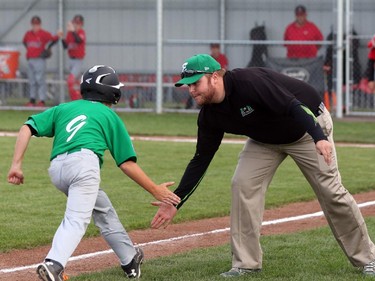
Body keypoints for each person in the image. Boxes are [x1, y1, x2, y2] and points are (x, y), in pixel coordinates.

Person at [150, 54, 375, 277]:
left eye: (195, 83)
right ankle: (246, 264)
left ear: (215, 77)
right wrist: (176, 201)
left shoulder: (249, 83)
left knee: (331, 192)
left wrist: (319, 137)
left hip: (306, 128)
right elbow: (201, 159)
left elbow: (294, 106)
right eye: (187, 85)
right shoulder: (210, 115)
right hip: (265, 139)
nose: (191, 90)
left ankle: (369, 258)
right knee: (242, 185)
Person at [7, 65, 181, 281]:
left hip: (57, 169)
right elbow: (127, 164)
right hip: (83, 166)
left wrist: (16, 164)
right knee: (76, 220)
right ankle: (54, 264)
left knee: (103, 210)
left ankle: (129, 259)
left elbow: (27, 127)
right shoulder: (108, 115)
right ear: (111, 92)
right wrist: (156, 190)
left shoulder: (64, 108)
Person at [23, 16, 61, 107]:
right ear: (31, 25)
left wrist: (49, 47)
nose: (35, 26)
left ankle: (42, 100)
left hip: (40, 59)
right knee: (32, 81)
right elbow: (24, 42)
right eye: (34, 24)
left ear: (40, 25)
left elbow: (54, 39)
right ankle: (32, 100)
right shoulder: (28, 34)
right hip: (30, 59)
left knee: (40, 80)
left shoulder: (44, 34)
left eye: (37, 24)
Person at [61, 14, 86, 100]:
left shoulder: (81, 32)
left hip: (78, 61)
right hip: (70, 60)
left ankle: (75, 100)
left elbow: (78, 40)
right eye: (75, 23)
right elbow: (65, 46)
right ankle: (77, 99)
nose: (76, 25)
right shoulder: (70, 33)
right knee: (74, 83)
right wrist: (61, 38)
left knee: (70, 80)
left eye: (78, 23)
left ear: (81, 24)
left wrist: (72, 31)